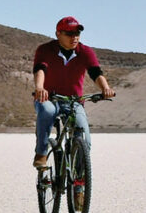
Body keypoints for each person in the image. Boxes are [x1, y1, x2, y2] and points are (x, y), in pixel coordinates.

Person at [31, 16, 116, 169]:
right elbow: (40, 69)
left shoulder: (85, 52)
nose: (74, 37)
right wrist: (39, 88)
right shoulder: (45, 50)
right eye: (69, 34)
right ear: (58, 34)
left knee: (84, 139)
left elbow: (95, 72)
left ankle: (78, 186)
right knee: (47, 110)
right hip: (49, 98)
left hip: (74, 101)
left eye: (77, 33)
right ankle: (42, 153)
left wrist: (105, 88)